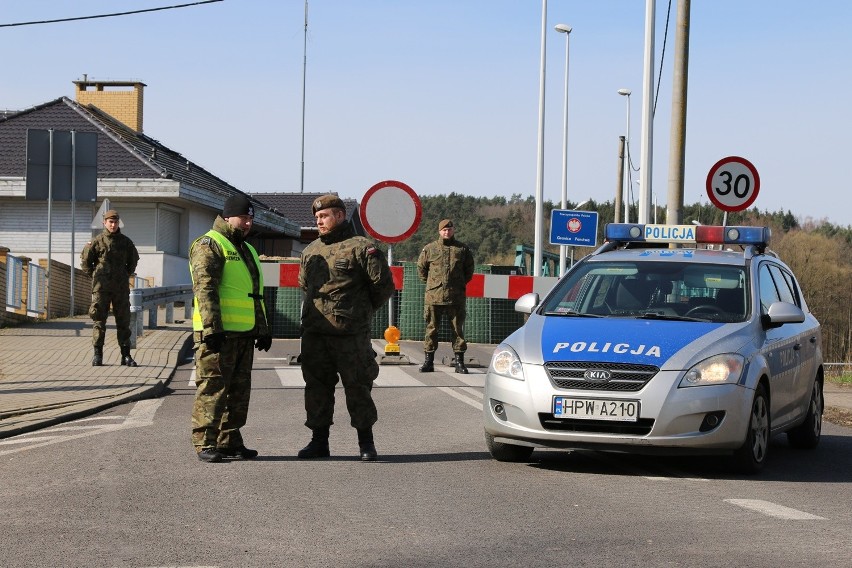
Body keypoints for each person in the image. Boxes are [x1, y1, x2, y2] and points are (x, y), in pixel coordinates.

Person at [297, 194, 395, 461]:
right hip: (315, 334)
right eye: (316, 217)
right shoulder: (310, 251)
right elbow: (305, 286)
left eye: (324, 216)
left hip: (350, 335)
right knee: (316, 388)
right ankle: (319, 442)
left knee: (357, 387)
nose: (319, 221)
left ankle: (366, 443)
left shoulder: (362, 248)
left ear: (339, 216)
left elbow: (383, 287)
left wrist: (358, 313)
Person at [189, 195, 272, 463]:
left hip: (243, 334)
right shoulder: (209, 244)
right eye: (243, 218)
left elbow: (252, 293)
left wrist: (262, 328)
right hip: (218, 335)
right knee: (213, 388)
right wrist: (213, 329)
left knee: (238, 392)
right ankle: (205, 443)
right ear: (227, 217)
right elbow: (205, 288)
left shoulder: (245, 248)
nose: (247, 223)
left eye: (251, 219)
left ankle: (229, 440)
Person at [81, 208, 140, 367]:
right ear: (104, 223)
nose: (113, 225)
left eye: (115, 222)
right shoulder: (97, 241)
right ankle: (97, 355)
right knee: (99, 321)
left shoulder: (125, 242)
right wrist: (96, 275)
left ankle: (126, 355)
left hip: (120, 287)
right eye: (110, 222)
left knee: (123, 321)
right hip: (101, 288)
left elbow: (133, 261)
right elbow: (86, 262)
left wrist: (124, 274)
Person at [416, 219, 475, 374]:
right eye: (444, 230)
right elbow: (421, 270)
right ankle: (428, 362)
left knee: (457, 330)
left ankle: (459, 362)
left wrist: (458, 284)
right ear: (439, 231)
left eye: (449, 229)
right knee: (431, 329)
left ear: (453, 230)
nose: (447, 232)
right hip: (434, 297)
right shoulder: (430, 249)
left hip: (456, 297)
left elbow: (469, 271)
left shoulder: (462, 249)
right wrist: (433, 285)